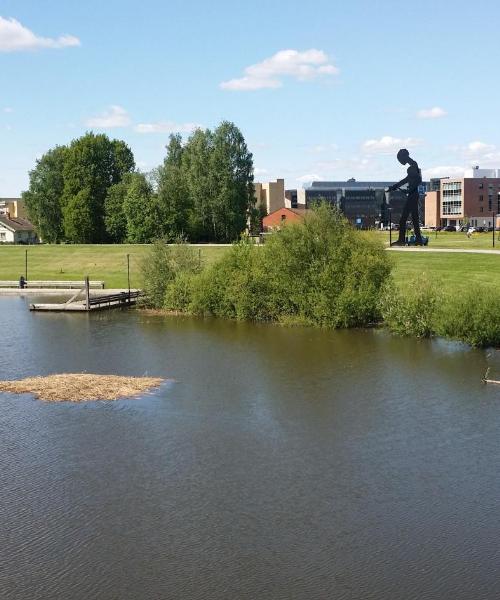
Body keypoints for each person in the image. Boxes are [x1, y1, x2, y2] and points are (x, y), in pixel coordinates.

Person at [388, 149, 423, 246]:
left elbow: (418, 180)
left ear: (404, 157)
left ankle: (401, 240)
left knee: (403, 219)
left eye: (400, 159)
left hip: (412, 195)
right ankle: (418, 240)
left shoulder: (412, 167)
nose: (400, 162)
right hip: (414, 195)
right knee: (415, 219)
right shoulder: (413, 165)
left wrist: (409, 190)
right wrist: (394, 187)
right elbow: (406, 180)